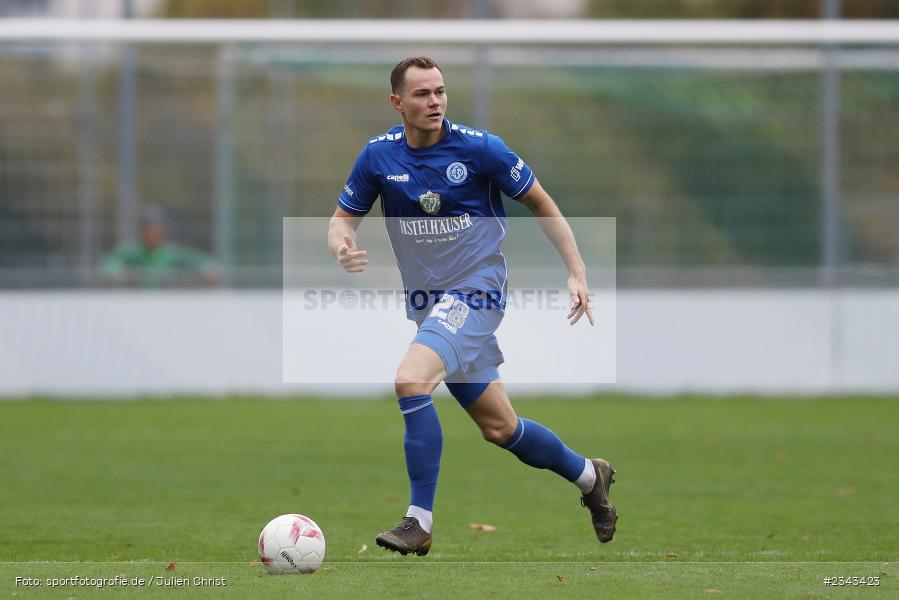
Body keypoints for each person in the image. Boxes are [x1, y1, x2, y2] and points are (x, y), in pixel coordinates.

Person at [328, 57, 616, 556]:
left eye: (440, 91)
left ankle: (418, 521)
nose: (435, 101)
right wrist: (342, 244)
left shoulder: (482, 149)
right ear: (398, 103)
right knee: (501, 427)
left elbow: (542, 203)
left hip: (477, 292)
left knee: (410, 380)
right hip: (430, 304)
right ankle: (591, 477)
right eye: (422, 94)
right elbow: (341, 219)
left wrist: (577, 270)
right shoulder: (377, 157)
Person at [102, 206, 219, 287]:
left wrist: (207, 268)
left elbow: (198, 260)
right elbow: (109, 262)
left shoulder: (169, 252)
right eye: (150, 230)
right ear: (143, 231)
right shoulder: (132, 251)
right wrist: (119, 272)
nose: (155, 235)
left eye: (159, 231)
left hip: (164, 302)